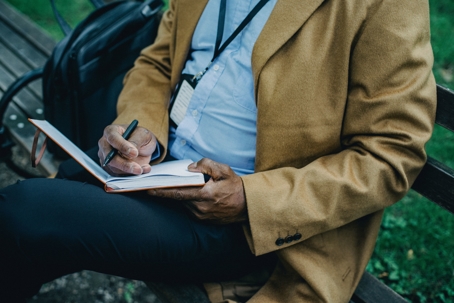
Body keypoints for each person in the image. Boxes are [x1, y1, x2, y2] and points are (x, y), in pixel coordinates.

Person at [0, 0, 436, 302]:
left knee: (27, 209)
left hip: (242, 219)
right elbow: (157, 61)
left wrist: (250, 199)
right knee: (40, 217)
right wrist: (141, 130)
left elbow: (392, 154)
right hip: (156, 171)